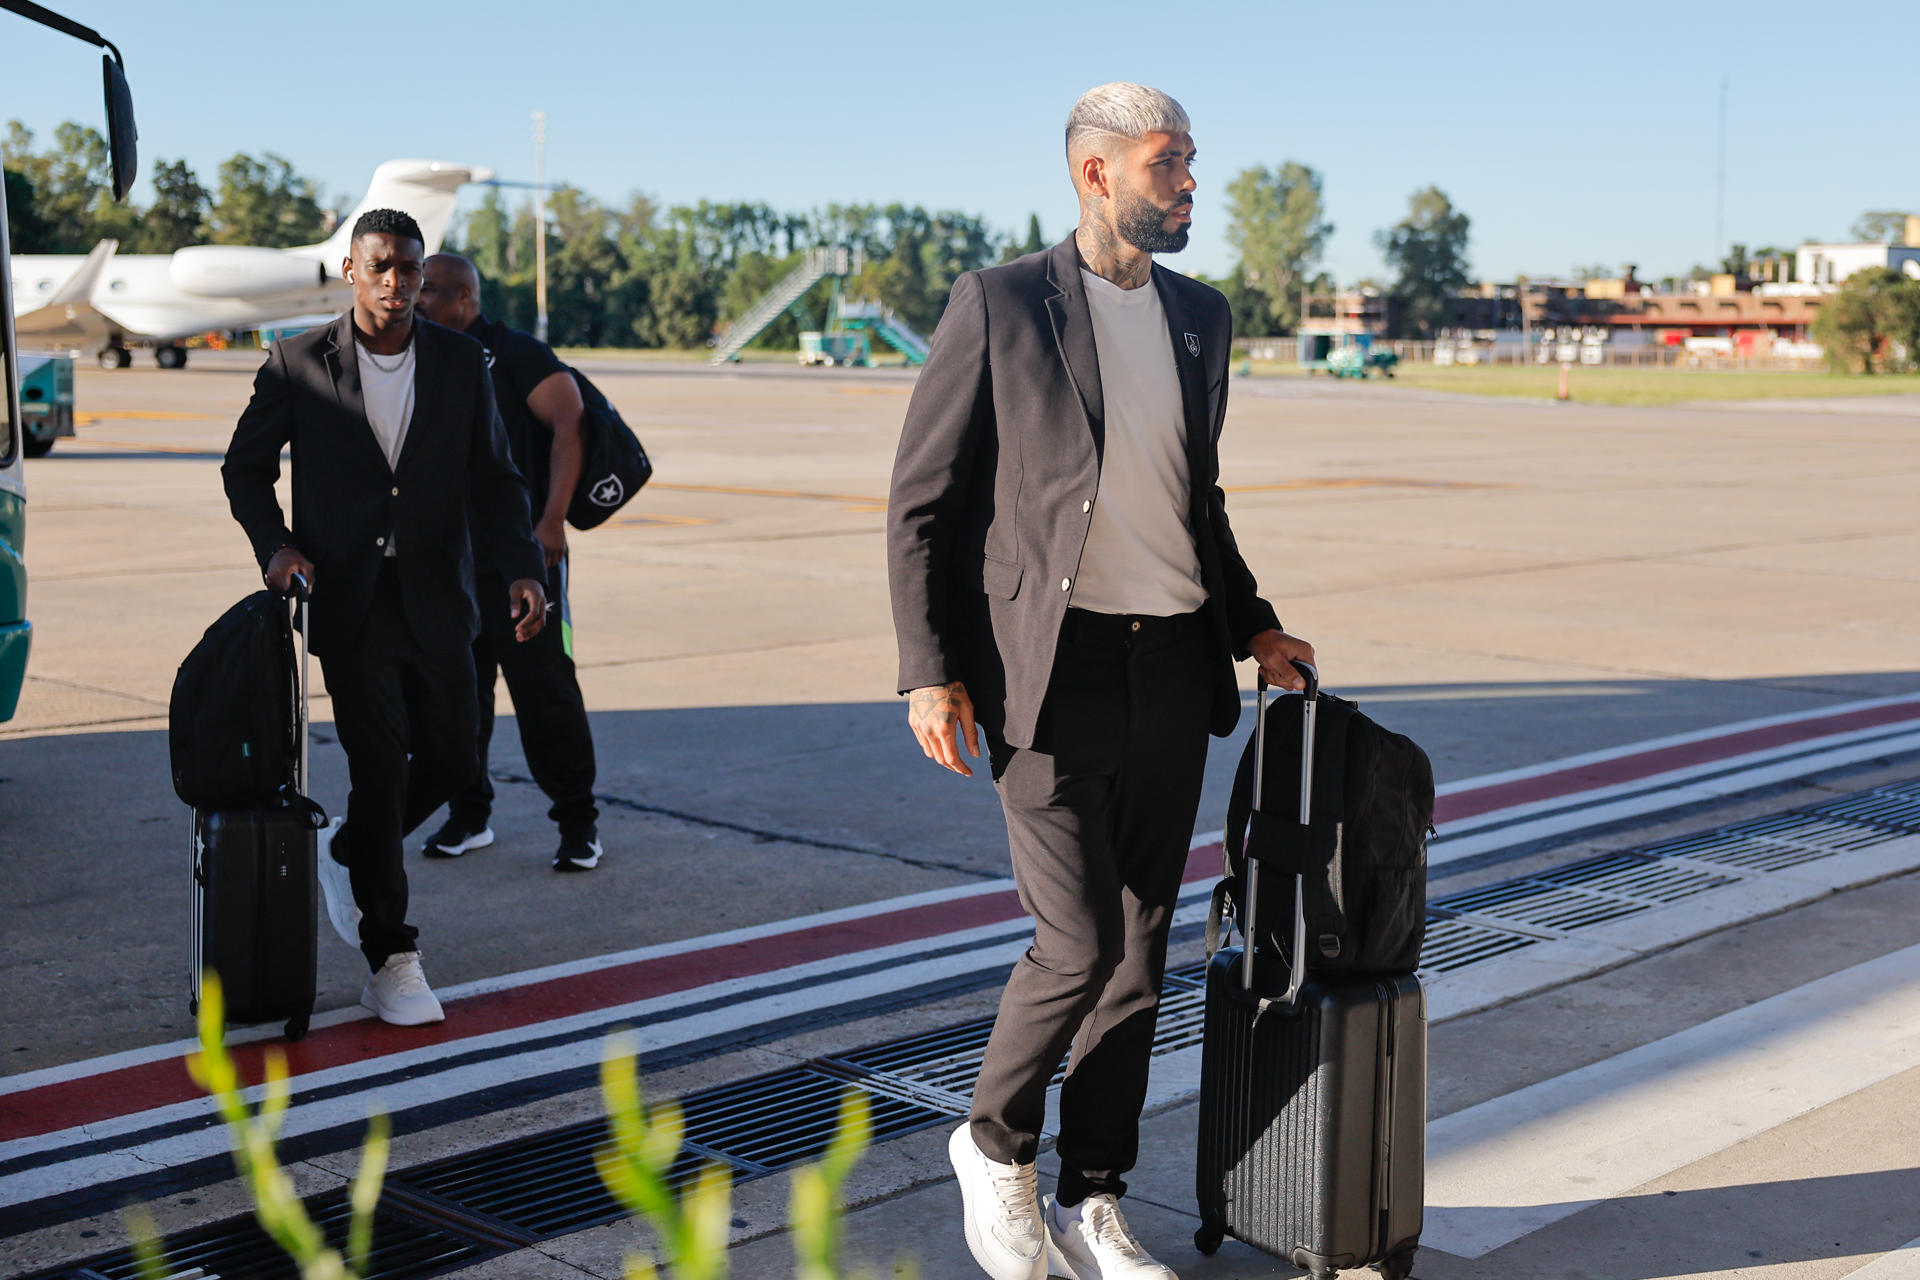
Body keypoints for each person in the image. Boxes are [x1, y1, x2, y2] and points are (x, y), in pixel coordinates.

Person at [886, 84, 1316, 1280]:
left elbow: (1195, 499)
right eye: (1170, 164)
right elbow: (921, 502)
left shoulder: (1201, 316)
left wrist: (1257, 625)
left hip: (1174, 662)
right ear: (1096, 173)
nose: (1190, 183)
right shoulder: (1001, 304)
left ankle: (1096, 1197)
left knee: (1138, 949)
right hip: (1049, 672)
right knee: (1072, 939)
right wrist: (929, 671)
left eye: (1190, 163)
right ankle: (993, 1141)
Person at [222, 209, 548, 1026]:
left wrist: (522, 570)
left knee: (455, 764)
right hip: (353, 602)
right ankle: (392, 955)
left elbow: (498, 480)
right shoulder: (298, 363)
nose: (399, 285)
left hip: (442, 594)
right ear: (350, 270)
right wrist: (278, 547)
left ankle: (347, 848)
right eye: (383, 268)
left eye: (411, 270)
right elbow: (245, 471)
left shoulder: (460, 362)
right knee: (382, 771)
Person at [415, 253, 602, 872]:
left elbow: (570, 423)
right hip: (451, 564)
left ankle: (578, 824)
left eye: (429, 290)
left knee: (545, 694)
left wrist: (551, 519)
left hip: (522, 557)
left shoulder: (516, 353)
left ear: (465, 296)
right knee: (459, 698)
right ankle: (470, 817)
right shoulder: (422, 354)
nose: (415, 299)